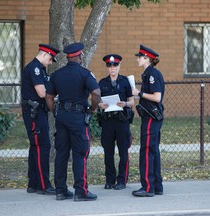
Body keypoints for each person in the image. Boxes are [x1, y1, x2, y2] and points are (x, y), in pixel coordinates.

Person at [46, 42, 101, 201]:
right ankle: (81, 191)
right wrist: (93, 109)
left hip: (62, 117)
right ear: (80, 56)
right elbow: (96, 94)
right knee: (80, 154)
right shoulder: (85, 74)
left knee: (61, 154)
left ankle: (61, 191)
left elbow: (48, 97)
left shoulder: (57, 74)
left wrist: (55, 111)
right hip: (78, 119)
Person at [21, 44, 60, 195]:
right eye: (50, 59)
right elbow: (42, 92)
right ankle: (44, 185)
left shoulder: (41, 69)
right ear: (44, 54)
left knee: (35, 147)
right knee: (42, 147)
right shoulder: (35, 68)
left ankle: (33, 184)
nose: (51, 62)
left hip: (38, 113)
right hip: (34, 114)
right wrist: (56, 96)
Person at [131, 44, 165, 197]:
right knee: (153, 151)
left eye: (140, 57)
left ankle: (148, 187)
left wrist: (139, 93)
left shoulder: (152, 74)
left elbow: (157, 97)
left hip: (151, 117)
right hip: (150, 116)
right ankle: (157, 186)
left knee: (146, 151)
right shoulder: (147, 74)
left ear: (147, 59)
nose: (137, 59)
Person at [98, 54, 134, 190]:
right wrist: (101, 105)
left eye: (115, 65)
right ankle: (109, 180)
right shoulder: (102, 83)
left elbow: (132, 102)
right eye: (109, 65)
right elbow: (96, 101)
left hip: (121, 121)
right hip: (108, 121)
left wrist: (124, 103)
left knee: (123, 151)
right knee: (108, 152)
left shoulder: (125, 81)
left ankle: (121, 180)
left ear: (119, 66)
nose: (112, 68)